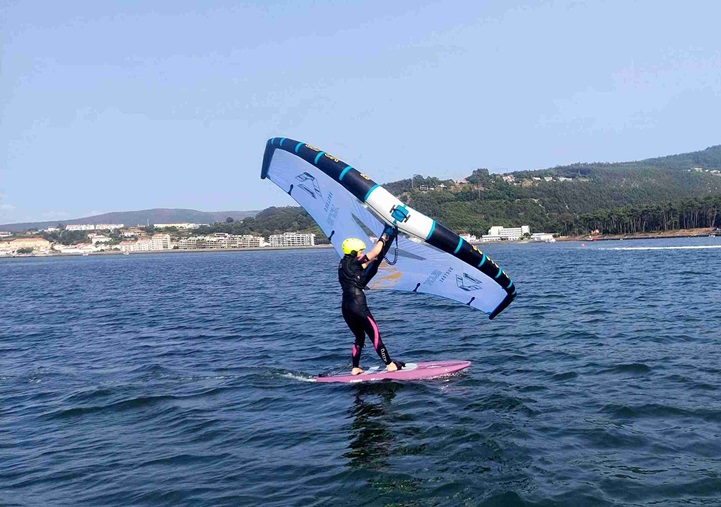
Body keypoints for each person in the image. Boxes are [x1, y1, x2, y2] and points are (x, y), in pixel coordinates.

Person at [339, 225, 405, 375]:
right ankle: (389, 364)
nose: (362, 253)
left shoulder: (343, 264)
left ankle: (355, 368)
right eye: (360, 251)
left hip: (346, 307)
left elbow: (362, 265)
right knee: (374, 335)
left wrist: (372, 260)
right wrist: (383, 238)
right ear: (355, 252)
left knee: (359, 337)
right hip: (358, 305)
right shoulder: (356, 261)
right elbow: (374, 251)